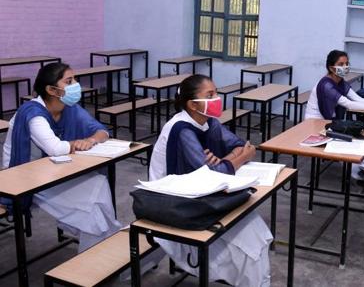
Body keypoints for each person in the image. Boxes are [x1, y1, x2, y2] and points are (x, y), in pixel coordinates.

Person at [148, 74, 272, 287]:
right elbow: (213, 171)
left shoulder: (209, 122)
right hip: (175, 203)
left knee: (257, 234)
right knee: (249, 245)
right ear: (192, 104)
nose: (217, 98)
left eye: (216, 93)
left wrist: (227, 160)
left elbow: (241, 145)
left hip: (206, 193)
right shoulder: (180, 129)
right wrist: (237, 159)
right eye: (210, 95)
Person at [1, 62, 120, 252]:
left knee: (98, 183)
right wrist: (78, 143)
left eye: (75, 79)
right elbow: (55, 148)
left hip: (52, 169)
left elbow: (101, 131)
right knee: (90, 209)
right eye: (69, 81)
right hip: (24, 178)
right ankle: (101, 251)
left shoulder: (69, 107)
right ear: (52, 90)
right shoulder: (32, 112)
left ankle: (105, 244)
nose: (76, 85)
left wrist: (90, 139)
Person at [304, 50, 364, 185]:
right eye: (341, 64)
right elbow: (348, 104)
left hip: (329, 121)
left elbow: (357, 98)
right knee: (353, 141)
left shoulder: (341, 82)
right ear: (331, 67)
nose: (345, 67)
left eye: (347, 64)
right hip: (316, 124)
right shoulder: (326, 85)